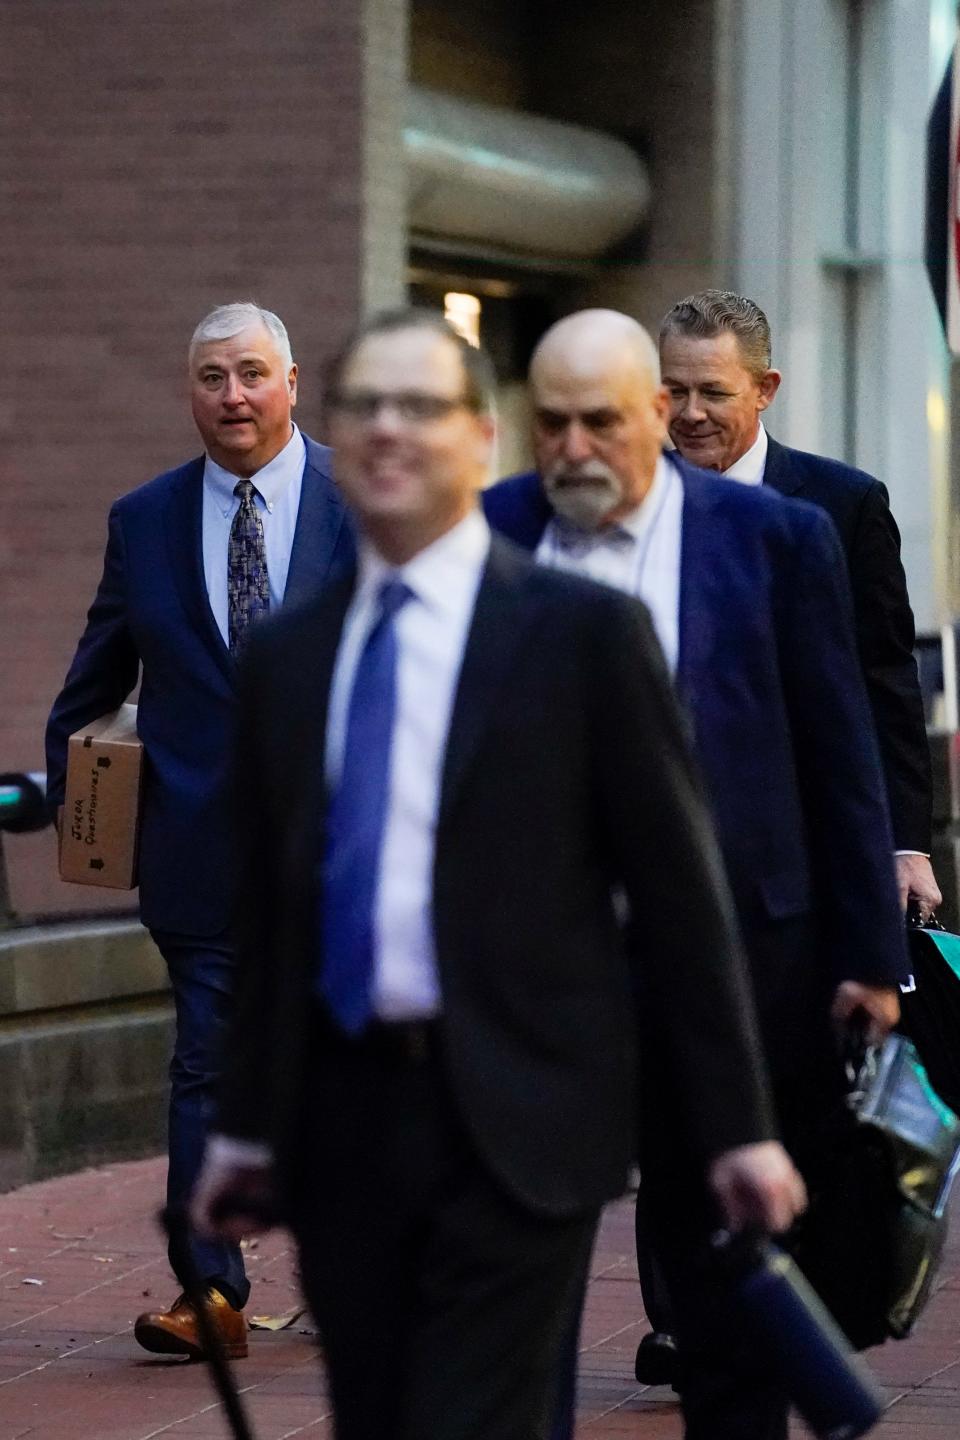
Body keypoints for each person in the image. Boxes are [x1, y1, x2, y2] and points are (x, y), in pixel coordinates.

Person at [190, 309, 804, 1440]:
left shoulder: (583, 637)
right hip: (345, 1130)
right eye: (364, 405)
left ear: (480, 439)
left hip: (521, 1119)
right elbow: (280, 912)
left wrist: (738, 1129)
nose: (389, 430)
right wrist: (241, 1128)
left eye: (421, 406)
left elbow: (680, 898)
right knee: (379, 1417)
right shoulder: (289, 658)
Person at [484, 308, 908, 1440]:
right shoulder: (487, 535)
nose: (574, 449)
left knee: (728, 1283)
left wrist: (868, 952)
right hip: (540, 982)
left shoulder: (773, 539)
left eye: (602, 422)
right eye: (553, 423)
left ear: (655, 415)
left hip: (731, 968)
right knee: (517, 1282)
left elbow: (840, 749)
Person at [45, 302, 352, 1359]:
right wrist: (80, 807)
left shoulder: (365, 506)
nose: (234, 395)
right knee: (208, 1066)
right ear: (192, 394)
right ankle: (210, 1293)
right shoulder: (146, 520)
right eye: (213, 377)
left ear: (293, 382)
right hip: (200, 851)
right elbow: (94, 678)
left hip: (345, 854)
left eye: (253, 373)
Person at [660, 288, 939, 921]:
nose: (691, 413)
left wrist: (903, 845)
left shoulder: (842, 506)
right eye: (674, 391)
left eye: (714, 392)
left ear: (765, 390)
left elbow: (885, 680)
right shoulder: (634, 501)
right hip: (662, 849)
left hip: (801, 857)